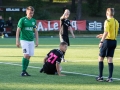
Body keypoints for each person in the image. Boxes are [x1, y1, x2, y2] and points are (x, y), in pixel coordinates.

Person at [96, 8, 119, 82]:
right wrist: (102, 35)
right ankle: (110, 78)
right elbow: (111, 32)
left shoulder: (107, 21)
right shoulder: (116, 21)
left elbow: (106, 32)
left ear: (107, 13)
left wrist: (101, 41)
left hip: (107, 42)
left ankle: (100, 77)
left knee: (100, 58)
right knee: (110, 59)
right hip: (114, 42)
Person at [16, 6, 38, 76]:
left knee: (29, 56)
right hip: (24, 40)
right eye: (29, 13)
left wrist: (37, 41)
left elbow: (36, 31)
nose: (31, 14)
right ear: (26, 12)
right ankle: (23, 71)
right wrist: (17, 41)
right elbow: (18, 30)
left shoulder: (34, 21)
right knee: (26, 55)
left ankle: (25, 71)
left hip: (31, 41)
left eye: (32, 13)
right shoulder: (22, 20)